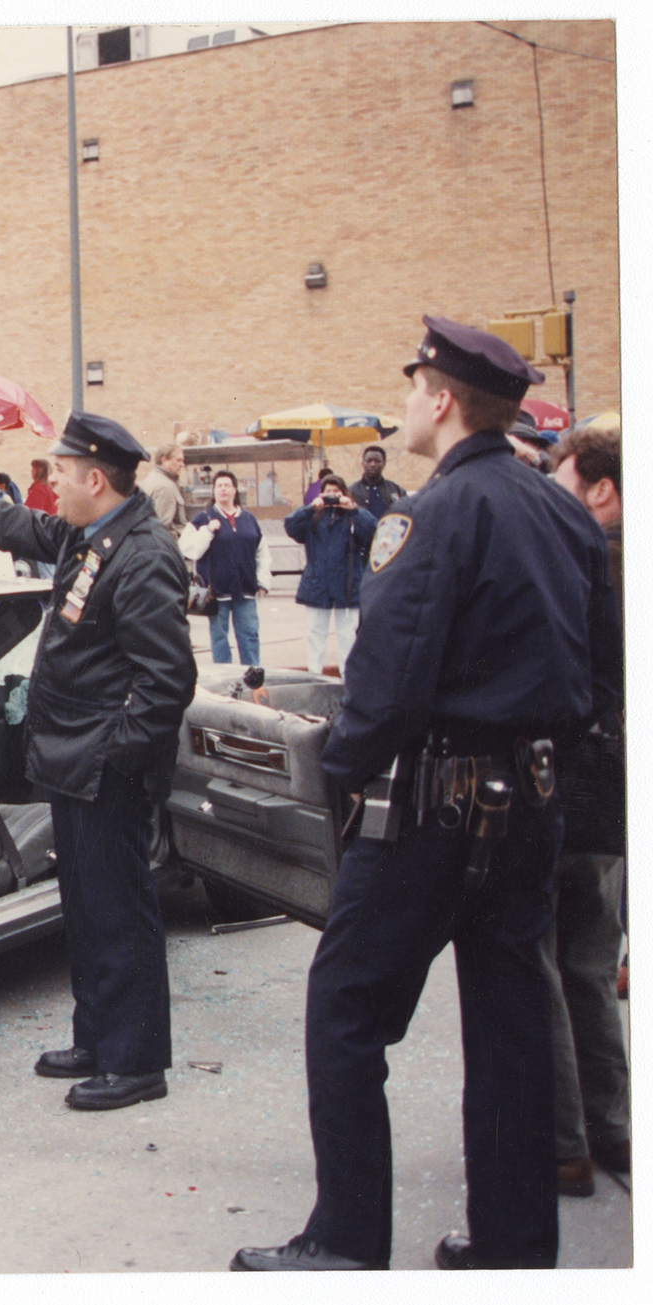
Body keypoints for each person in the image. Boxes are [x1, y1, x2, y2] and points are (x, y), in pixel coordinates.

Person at [233, 316, 618, 1273]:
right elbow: (602, 667)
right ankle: (515, 1244)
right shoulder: (561, 509)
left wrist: (340, 771)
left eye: (413, 387)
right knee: (510, 1030)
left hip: (436, 812)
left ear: (441, 399)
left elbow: (388, 682)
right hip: (532, 803)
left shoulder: (429, 515)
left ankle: (347, 1238)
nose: (407, 402)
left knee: (346, 1012)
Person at [0, 412, 196, 1112]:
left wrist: (112, 756)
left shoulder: (144, 552)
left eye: (60, 471)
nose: (50, 482)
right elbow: (15, 528)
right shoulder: (90, 536)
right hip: (70, 760)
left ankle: (135, 1060)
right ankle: (97, 1038)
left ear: (96, 478)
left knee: (120, 911)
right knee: (88, 911)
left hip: (102, 768)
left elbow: (165, 683)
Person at [544, 419, 629, 1196]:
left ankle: (564, 1141)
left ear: (600, 489)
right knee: (593, 970)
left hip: (570, 786)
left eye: (560, 479)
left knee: (544, 967)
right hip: (614, 793)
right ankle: (616, 1127)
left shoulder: (585, 563)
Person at [282, 474, 376, 675]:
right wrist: (310, 508)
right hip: (317, 583)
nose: (332, 496)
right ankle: (315, 674)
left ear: (344, 493)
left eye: (336, 491)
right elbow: (290, 526)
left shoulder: (352, 516)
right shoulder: (312, 517)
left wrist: (354, 509)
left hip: (347, 583)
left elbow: (372, 530)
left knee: (347, 635)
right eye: (328, 492)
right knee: (315, 633)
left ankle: (347, 676)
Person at [181, 470, 270, 665]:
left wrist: (263, 581)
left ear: (234, 490)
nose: (223, 489)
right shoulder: (203, 518)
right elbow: (188, 549)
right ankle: (224, 676)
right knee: (219, 639)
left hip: (245, 590)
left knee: (249, 636)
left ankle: (252, 676)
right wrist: (208, 531)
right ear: (213, 491)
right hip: (216, 593)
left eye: (227, 485)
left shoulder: (249, 519)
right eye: (219, 486)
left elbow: (261, 552)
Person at [141, 443, 188, 530]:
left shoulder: (151, 478)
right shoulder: (165, 487)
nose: (182, 464)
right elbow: (161, 528)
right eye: (178, 460)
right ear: (164, 460)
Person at [350, 444, 405, 519]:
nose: (373, 464)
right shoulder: (351, 491)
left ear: (384, 464)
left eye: (377, 461)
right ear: (363, 463)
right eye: (369, 461)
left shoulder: (396, 490)